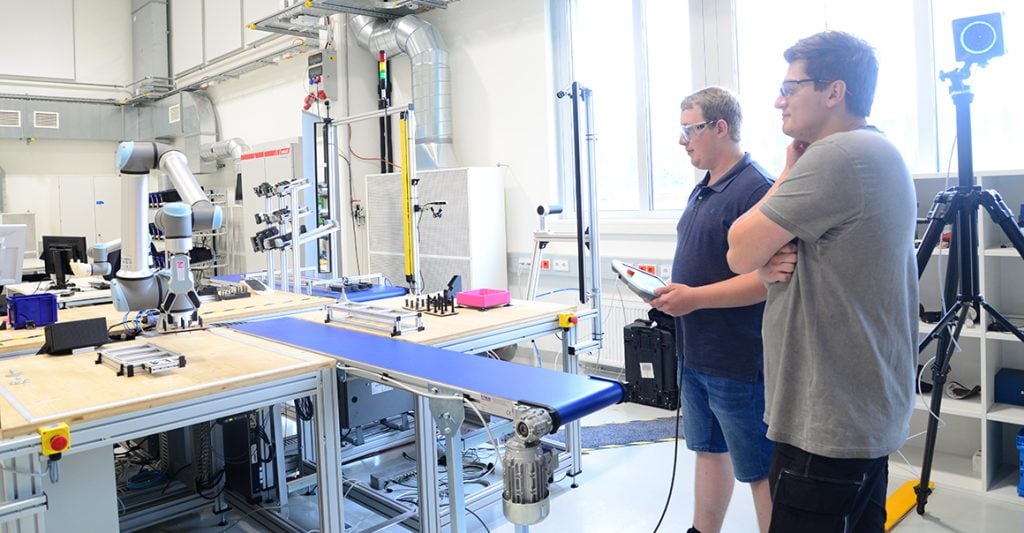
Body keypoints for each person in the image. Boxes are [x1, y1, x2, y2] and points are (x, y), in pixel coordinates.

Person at [726, 31, 917, 532]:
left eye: (791, 88)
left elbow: (739, 249)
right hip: (860, 413)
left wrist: (787, 173)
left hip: (827, 425)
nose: (779, 100)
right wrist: (765, 260)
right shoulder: (876, 150)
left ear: (835, 92)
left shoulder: (839, 156)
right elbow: (765, 257)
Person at [650, 86, 775, 533]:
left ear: (720, 127)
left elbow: (767, 280)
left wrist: (695, 298)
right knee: (708, 449)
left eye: (691, 129)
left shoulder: (757, 189)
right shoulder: (704, 187)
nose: (682, 140)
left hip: (738, 358)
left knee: (760, 468)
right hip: (697, 351)